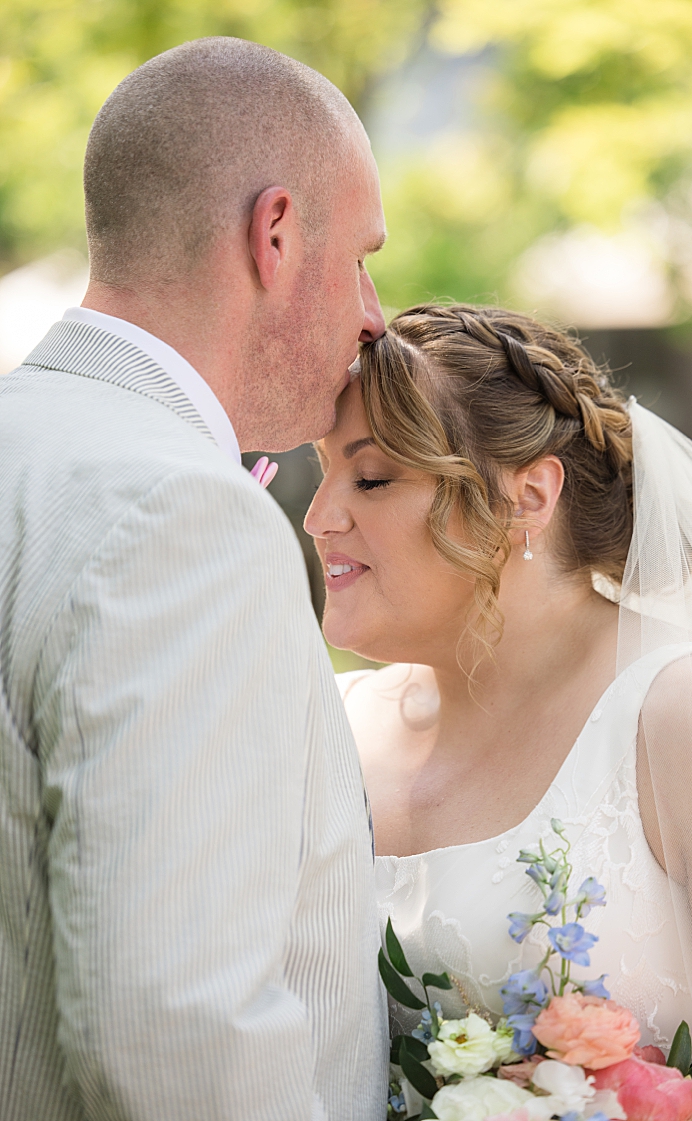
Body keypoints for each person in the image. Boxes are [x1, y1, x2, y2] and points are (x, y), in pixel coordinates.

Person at [0, 38, 390, 1119]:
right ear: (275, 235)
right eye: (360, 256)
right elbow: (175, 1032)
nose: (373, 313)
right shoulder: (185, 514)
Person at [303, 304, 692, 1105]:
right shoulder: (327, 725)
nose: (318, 517)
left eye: (370, 477)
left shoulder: (682, 709)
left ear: (527, 496)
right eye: (324, 471)